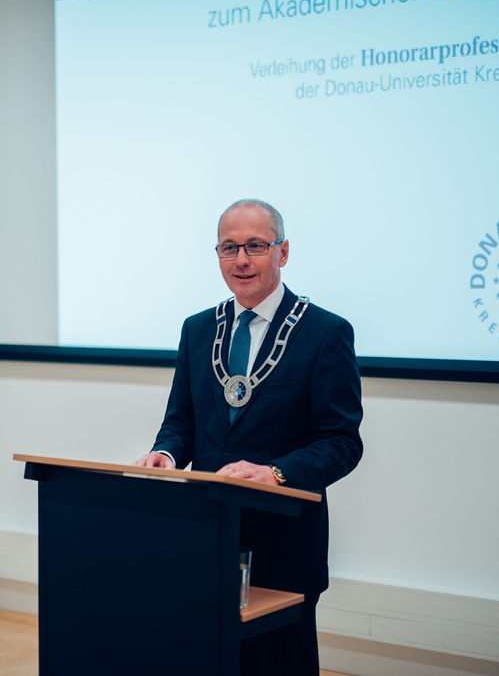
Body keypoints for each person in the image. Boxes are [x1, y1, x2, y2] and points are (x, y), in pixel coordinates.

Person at [135, 198, 363, 674]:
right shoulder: (197, 330)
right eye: (229, 247)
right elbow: (181, 421)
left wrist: (277, 472)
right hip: (208, 533)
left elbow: (342, 442)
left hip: (285, 541)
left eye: (256, 246)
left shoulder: (325, 333)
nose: (241, 260)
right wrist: (165, 453)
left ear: (283, 252)